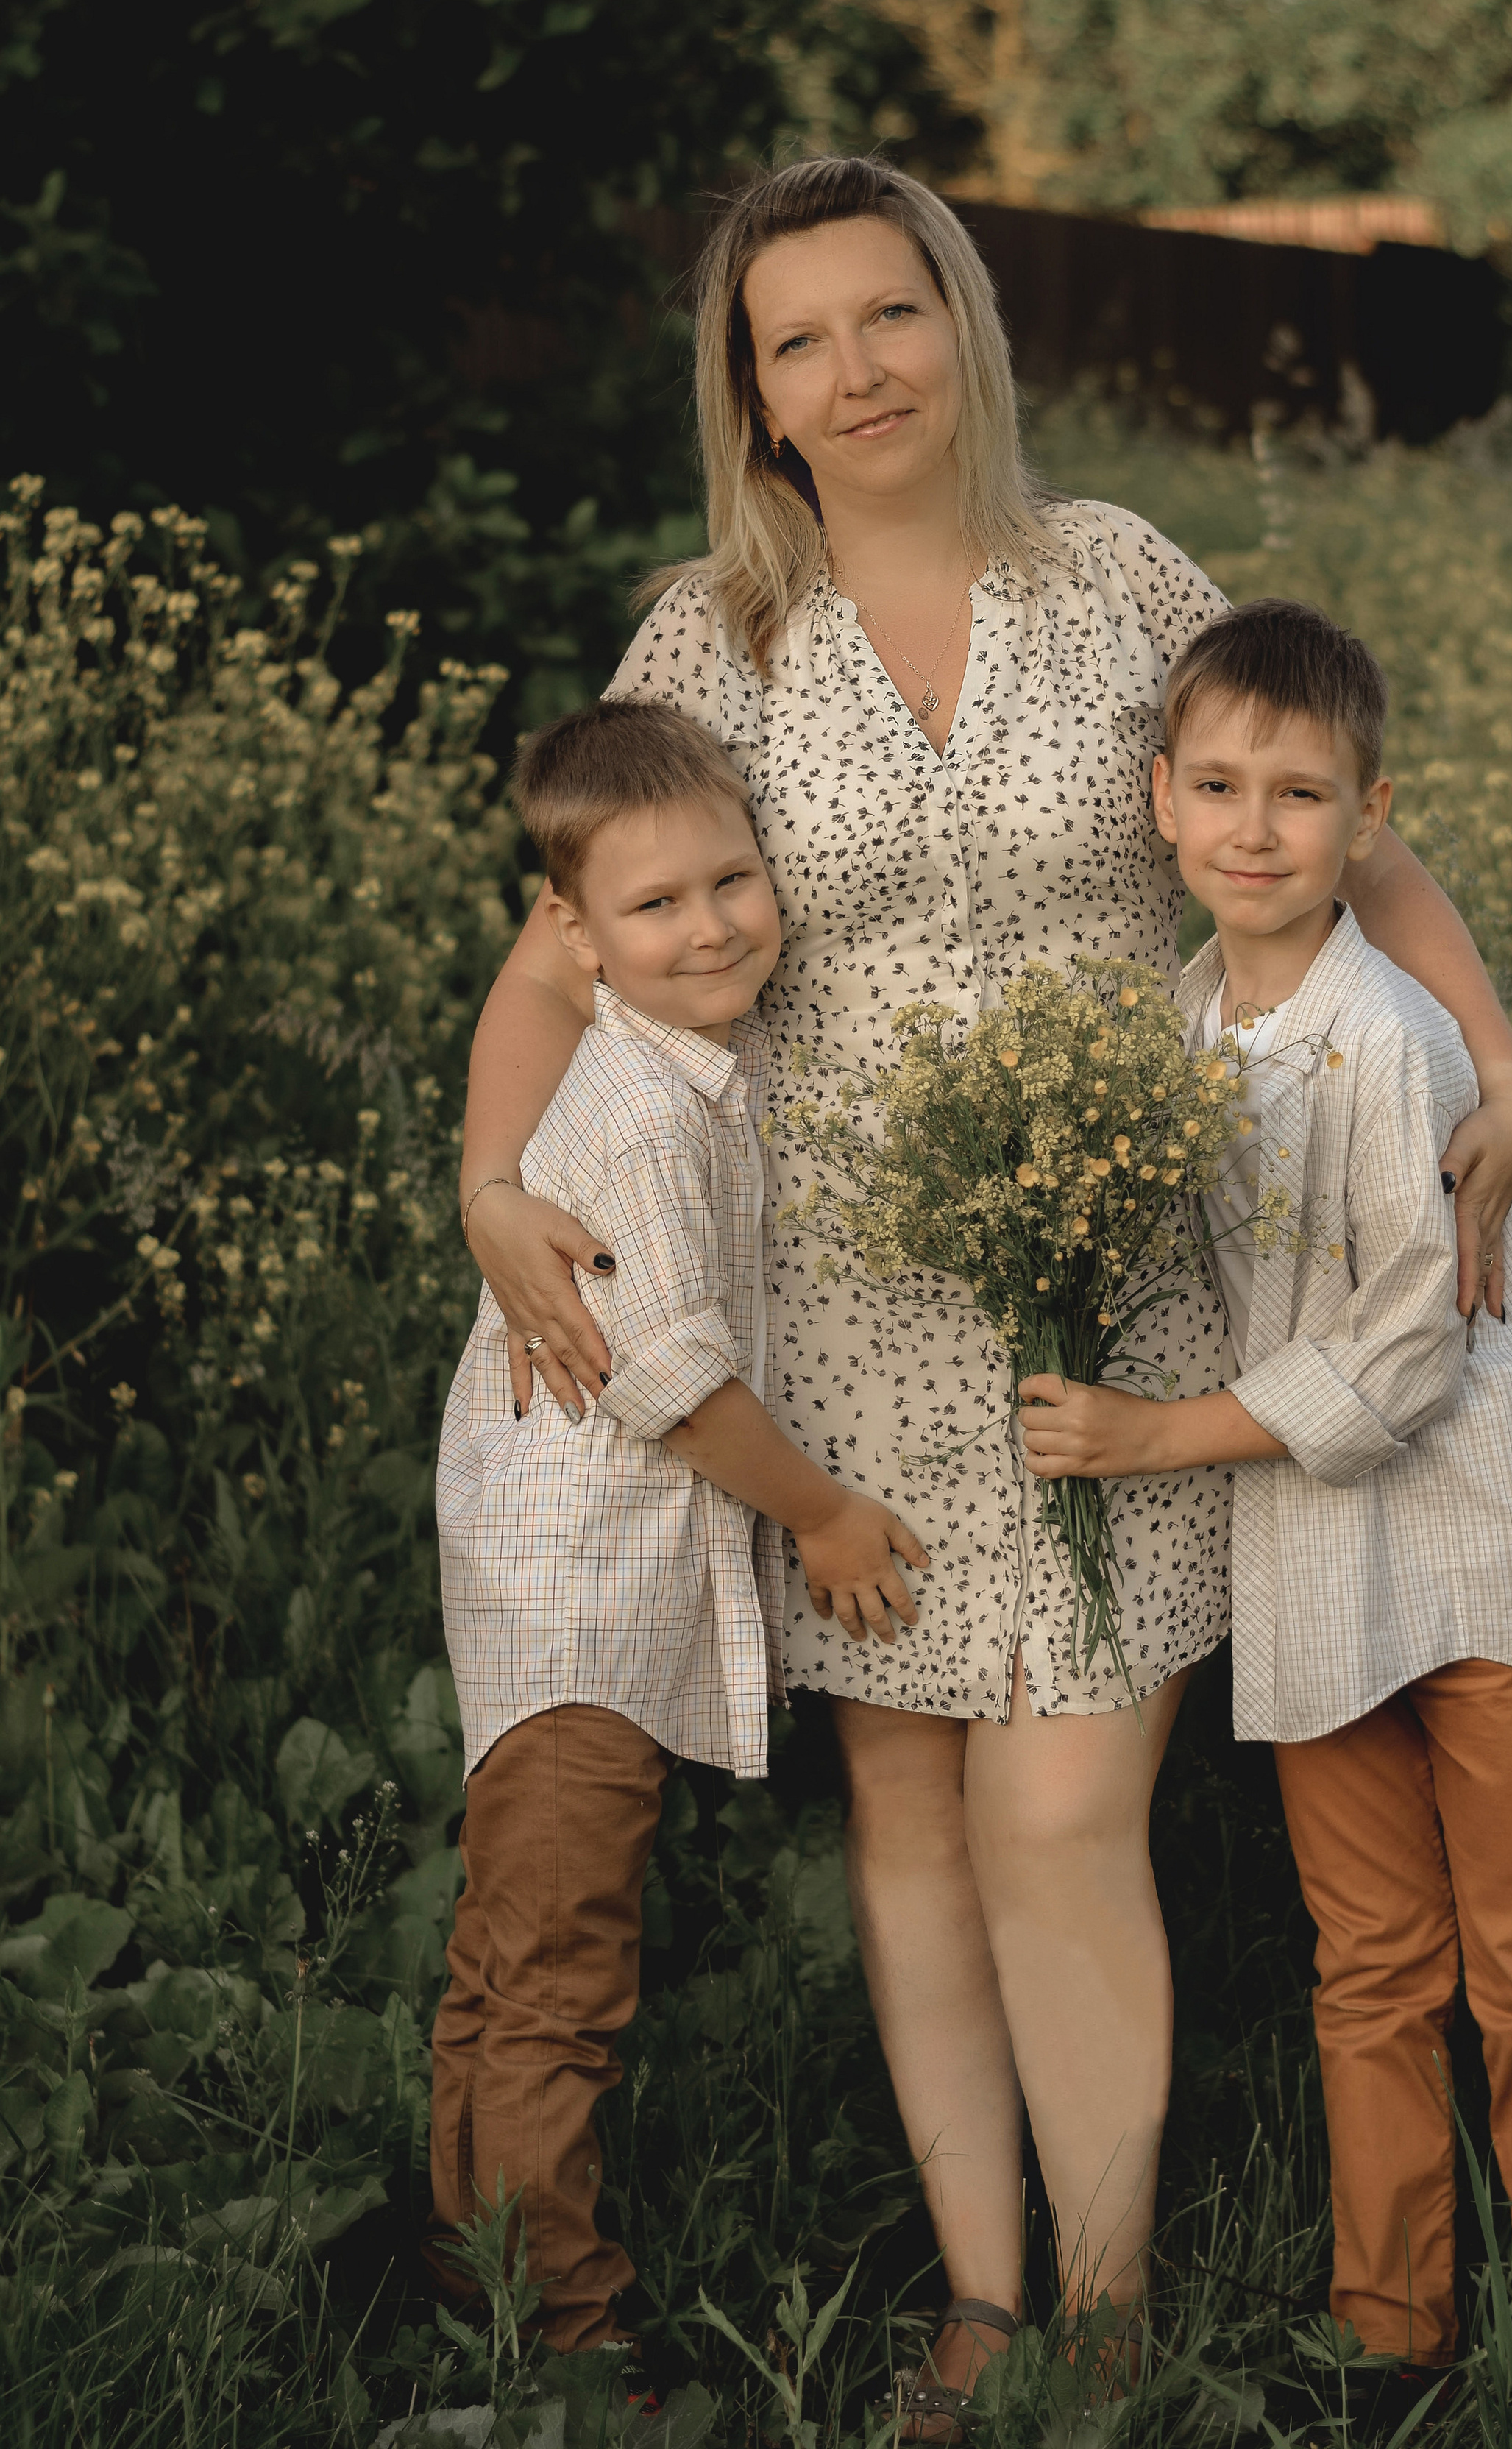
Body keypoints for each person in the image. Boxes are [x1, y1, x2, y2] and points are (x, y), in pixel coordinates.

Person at [456, 156, 1512, 2420]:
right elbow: (567, 944)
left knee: (1063, 1811)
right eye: (797, 341)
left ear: (962, 325)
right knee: (917, 1818)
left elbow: (1344, 817)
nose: (853, 373)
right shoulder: (708, 638)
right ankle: (984, 2301)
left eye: (889, 316)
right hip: (834, 1308)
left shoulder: (1120, 575)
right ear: (751, 397)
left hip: (1123, 1277)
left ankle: (1120, 2319)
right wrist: (486, 1178)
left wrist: (1502, 1075)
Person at [1018, 598, 1512, 2413]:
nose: (1253, 828)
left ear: (1371, 817)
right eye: (1215, 786)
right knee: (1364, 1965)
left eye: (1298, 794)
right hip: (1311, 1572)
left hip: (1469, 1556)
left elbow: (1400, 1362)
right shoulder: (1184, 1019)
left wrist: (1143, 1437)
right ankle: (1390, 2336)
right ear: (1159, 800)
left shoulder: (1388, 1040)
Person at [427, 696, 927, 2354]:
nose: (709, 927)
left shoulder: (687, 1066)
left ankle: (471, 2267)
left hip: (586, 1567)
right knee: (556, 1963)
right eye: (653, 907)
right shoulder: (639, 1114)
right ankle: (561, 2329)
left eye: (732, 881)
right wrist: (828, 1518)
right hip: (575, 1581)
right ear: (568, 935)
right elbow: (676, 1382)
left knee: (517, 1951)